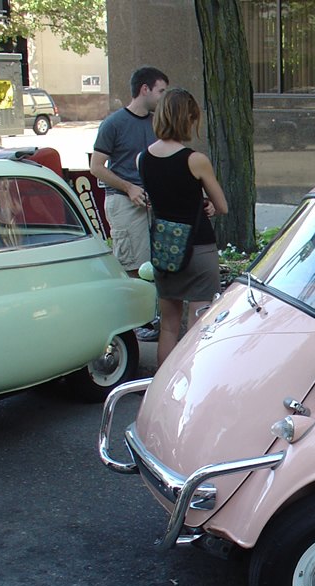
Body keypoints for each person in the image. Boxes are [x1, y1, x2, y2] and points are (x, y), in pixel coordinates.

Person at [138, 88, 228, 367]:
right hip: (198, 247)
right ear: (187, 118)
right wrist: (208, 204)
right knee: (198, 323)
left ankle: (163, 383)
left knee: (168, 325)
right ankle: (193, 382)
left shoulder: (142, 159)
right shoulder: (195, 159)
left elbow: (162, 198)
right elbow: (222, 206)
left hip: (165, 249)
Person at [91, 66, 169, 340]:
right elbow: (96, 167)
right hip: (124, 202)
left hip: (151, 204)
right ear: (144, 89)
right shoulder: (113, 124)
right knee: (132, 264)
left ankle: (151, 318)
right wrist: (129, 188)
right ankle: (133, 325)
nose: (163, 96)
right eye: (161, 90)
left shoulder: (156, 123)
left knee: (153, 263)